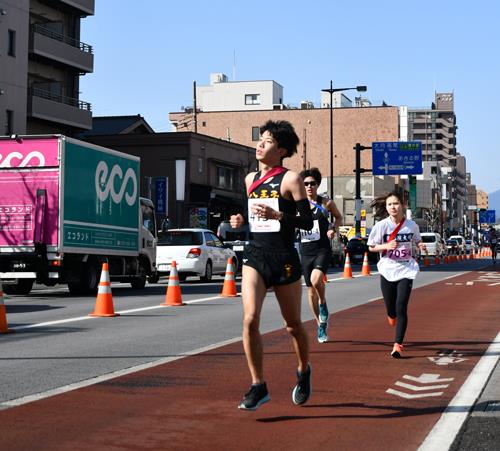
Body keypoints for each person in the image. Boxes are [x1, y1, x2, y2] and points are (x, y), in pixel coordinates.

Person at [230, 120, 313, 411]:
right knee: (250, 319)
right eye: (260, 140)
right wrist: (239, 222)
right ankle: (258, 385)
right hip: (255, 256)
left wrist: (278, 216)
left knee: (292, 326)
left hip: (284, 258)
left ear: (282, 150)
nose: (260, 145)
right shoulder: (249, 179)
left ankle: (304, 370)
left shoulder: (292, 179)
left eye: (267, 141)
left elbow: (306, 221)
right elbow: (252, 215)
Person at [367, 191, 426, 358]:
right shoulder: (381, 226)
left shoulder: (411, 225)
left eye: (396, 203)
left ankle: (398, 345)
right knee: (391, 308)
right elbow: (371, 247)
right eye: (390, 204)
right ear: (386, 207)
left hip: (406, 268)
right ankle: (391, 314)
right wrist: (386, 246)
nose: (393, 207)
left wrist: (421, 245)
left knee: (401, 306)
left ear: (402, 205)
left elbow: (417, 240)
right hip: (387, 268)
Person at [298, 168, 342, 343]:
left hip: (322, 249)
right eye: (305, 184)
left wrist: (332, 229)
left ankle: (323, 303)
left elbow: (338, 218)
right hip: (305, 251)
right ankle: (320, 325)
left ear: (317, 185)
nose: (309, 187)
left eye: (312, 184)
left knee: (317, 281)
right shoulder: (297, 205)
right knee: (310, 292)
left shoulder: (326, 203)